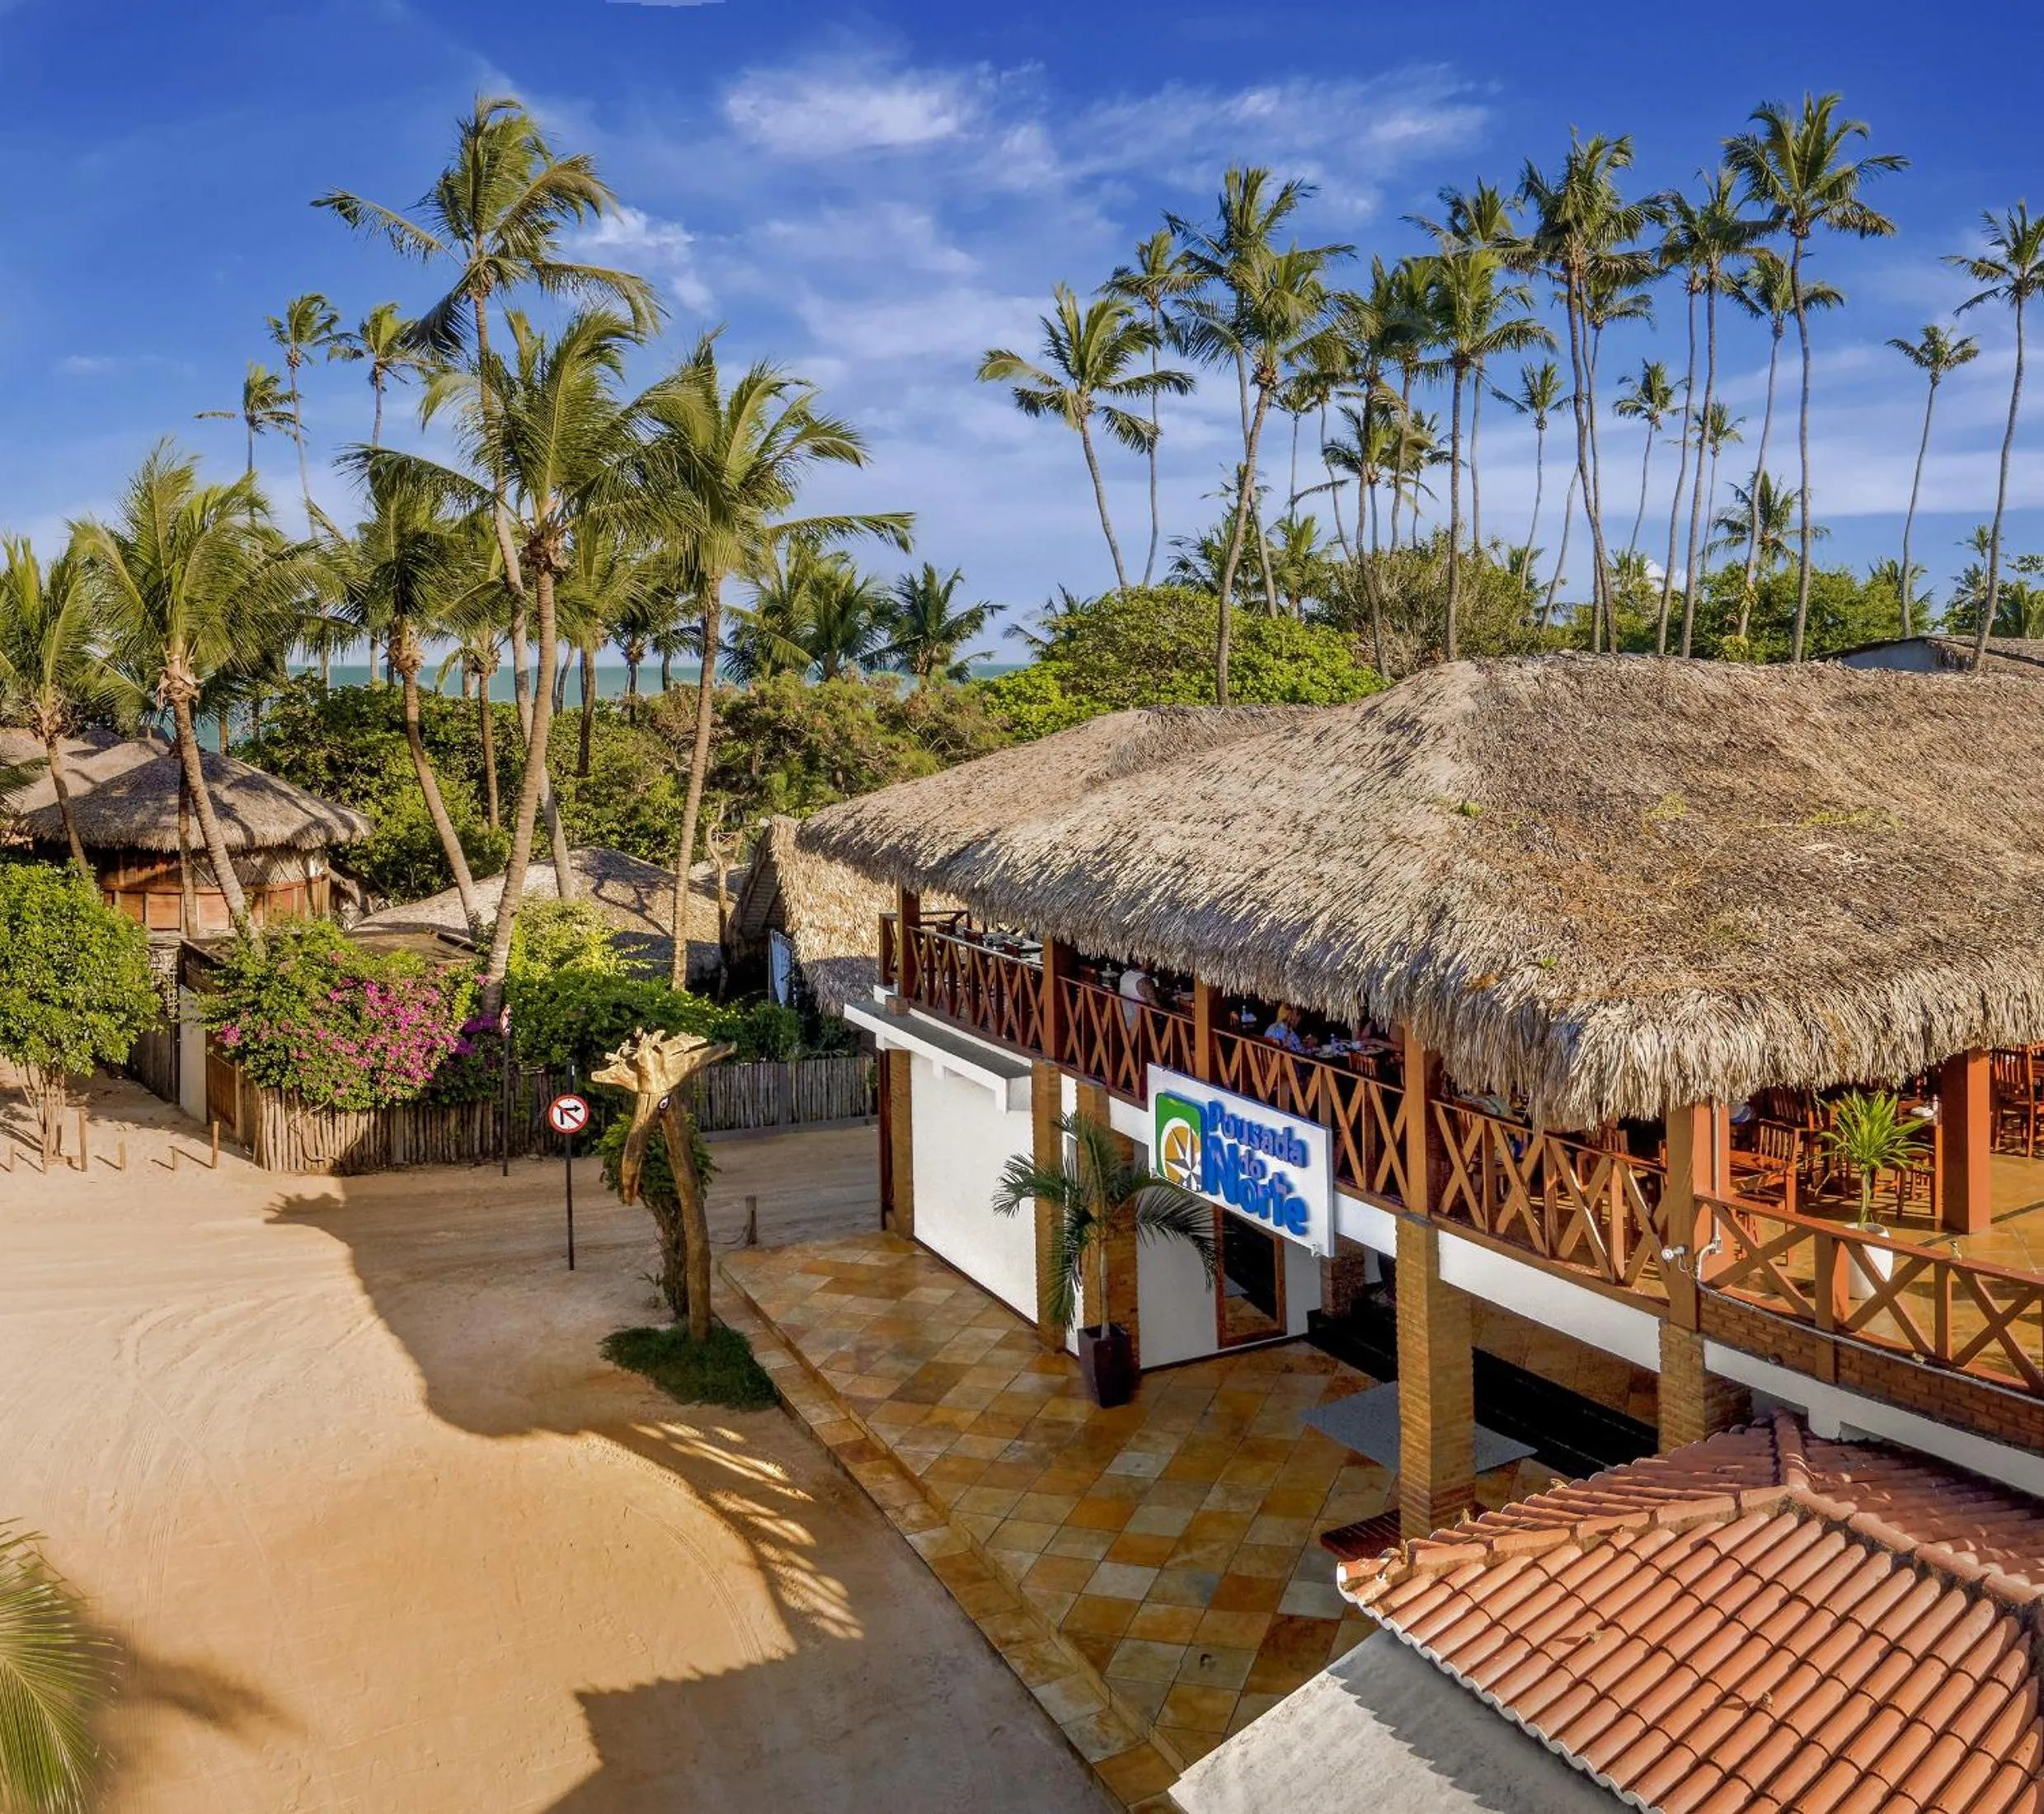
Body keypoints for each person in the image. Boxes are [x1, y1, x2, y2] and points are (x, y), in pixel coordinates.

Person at [1119, 962, 1158, 1029]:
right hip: (1137, 1026)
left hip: (1122, 1020)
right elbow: (1156, 1007)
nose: (1155, 966)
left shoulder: (1125, 974)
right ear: (1145, 963)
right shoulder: (1146, 981)